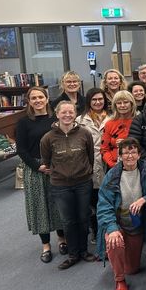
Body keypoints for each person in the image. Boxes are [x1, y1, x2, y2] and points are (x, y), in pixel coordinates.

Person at [96, 137, 146, 290]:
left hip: (136, 223)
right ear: (120, 156)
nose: (130, 156)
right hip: (118, 222)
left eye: (133, 152)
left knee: (132, 269)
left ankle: (119, 259)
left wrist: (145, 199)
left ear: (139, 155)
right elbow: (104, 206)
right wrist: (111, 229)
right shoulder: (112, 176)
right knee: (114, 241)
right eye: (126, 153)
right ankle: (119, 280)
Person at [39, 101, 96, 269]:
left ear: (75, 113)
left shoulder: (84, 133)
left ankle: (84, 251)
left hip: (83, 183)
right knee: (68, 221)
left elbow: (90, 157)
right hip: (60, 185)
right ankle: (73, 254)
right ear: (57, 114)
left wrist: (84, 172)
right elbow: (46, 161)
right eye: (63, 112)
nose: (67, 115)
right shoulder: (48, 138)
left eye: (70, 112)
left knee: (83, 217)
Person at [15, 86, 66, 263]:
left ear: (46, 99)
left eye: (40, 97)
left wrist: (54, 163)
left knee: (58, 205)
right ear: (28, 102)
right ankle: (45, 245)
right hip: (35, 169)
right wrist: (38, 166)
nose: (37, 101)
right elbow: (21, 149)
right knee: (40, 207)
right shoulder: (23, 123)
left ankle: (62, 239)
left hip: (56, 167)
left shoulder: (55, 118)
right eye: (33, 98)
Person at [76, 87, 108, 242]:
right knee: (93, 203)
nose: (97, 102)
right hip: (90, 164)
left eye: (100, 99)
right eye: (94, 99)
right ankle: (96, 232)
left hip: (108, 164)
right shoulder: (80, 121)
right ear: (88, 101)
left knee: (108, 200)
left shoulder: (112, 116)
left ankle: (109, 231)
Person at [101, 90, 137, 169]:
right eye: (119, 103)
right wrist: (113, 165)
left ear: (131, 104)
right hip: (115, 166)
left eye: (125, 102)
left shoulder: (139, 121)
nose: (122, 105)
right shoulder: (109, 124)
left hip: (137, 165)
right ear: (115, 105)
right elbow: (104, 149)